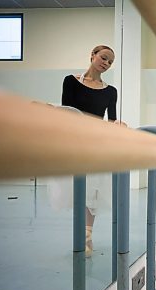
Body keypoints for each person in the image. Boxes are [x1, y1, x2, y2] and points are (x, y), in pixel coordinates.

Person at [48, 45, 123, 257]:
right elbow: (67, 112)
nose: (106, 63)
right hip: (75, 141)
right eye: (103, 58)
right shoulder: (71, 81)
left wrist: (118, 125)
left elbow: (112, 119)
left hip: (97, 143)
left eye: (110, 61)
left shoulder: (111, 91)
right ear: (92, 55)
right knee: (78, 188)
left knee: (95, 190)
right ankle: (82, 232)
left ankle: (87, 235)